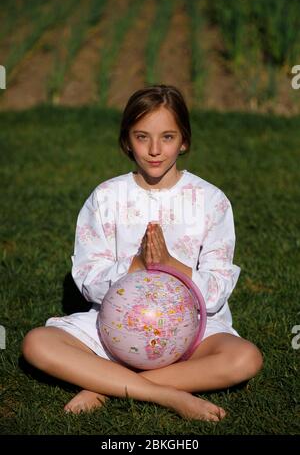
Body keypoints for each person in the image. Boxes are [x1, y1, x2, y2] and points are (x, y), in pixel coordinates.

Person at [22, 84, 263, 422]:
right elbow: (88, 279)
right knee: (37, 344)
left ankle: (103, 383)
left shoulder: (211, 200)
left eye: (167, 137)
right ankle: (169, 395)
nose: (154, 149)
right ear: (126, 141)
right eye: (141, 137)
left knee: (245, 359)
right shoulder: (106, 197)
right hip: (113, 325)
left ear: (184, 141)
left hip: (193, 327)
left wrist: (169, 264)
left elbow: (217, 291)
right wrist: (136, 264)